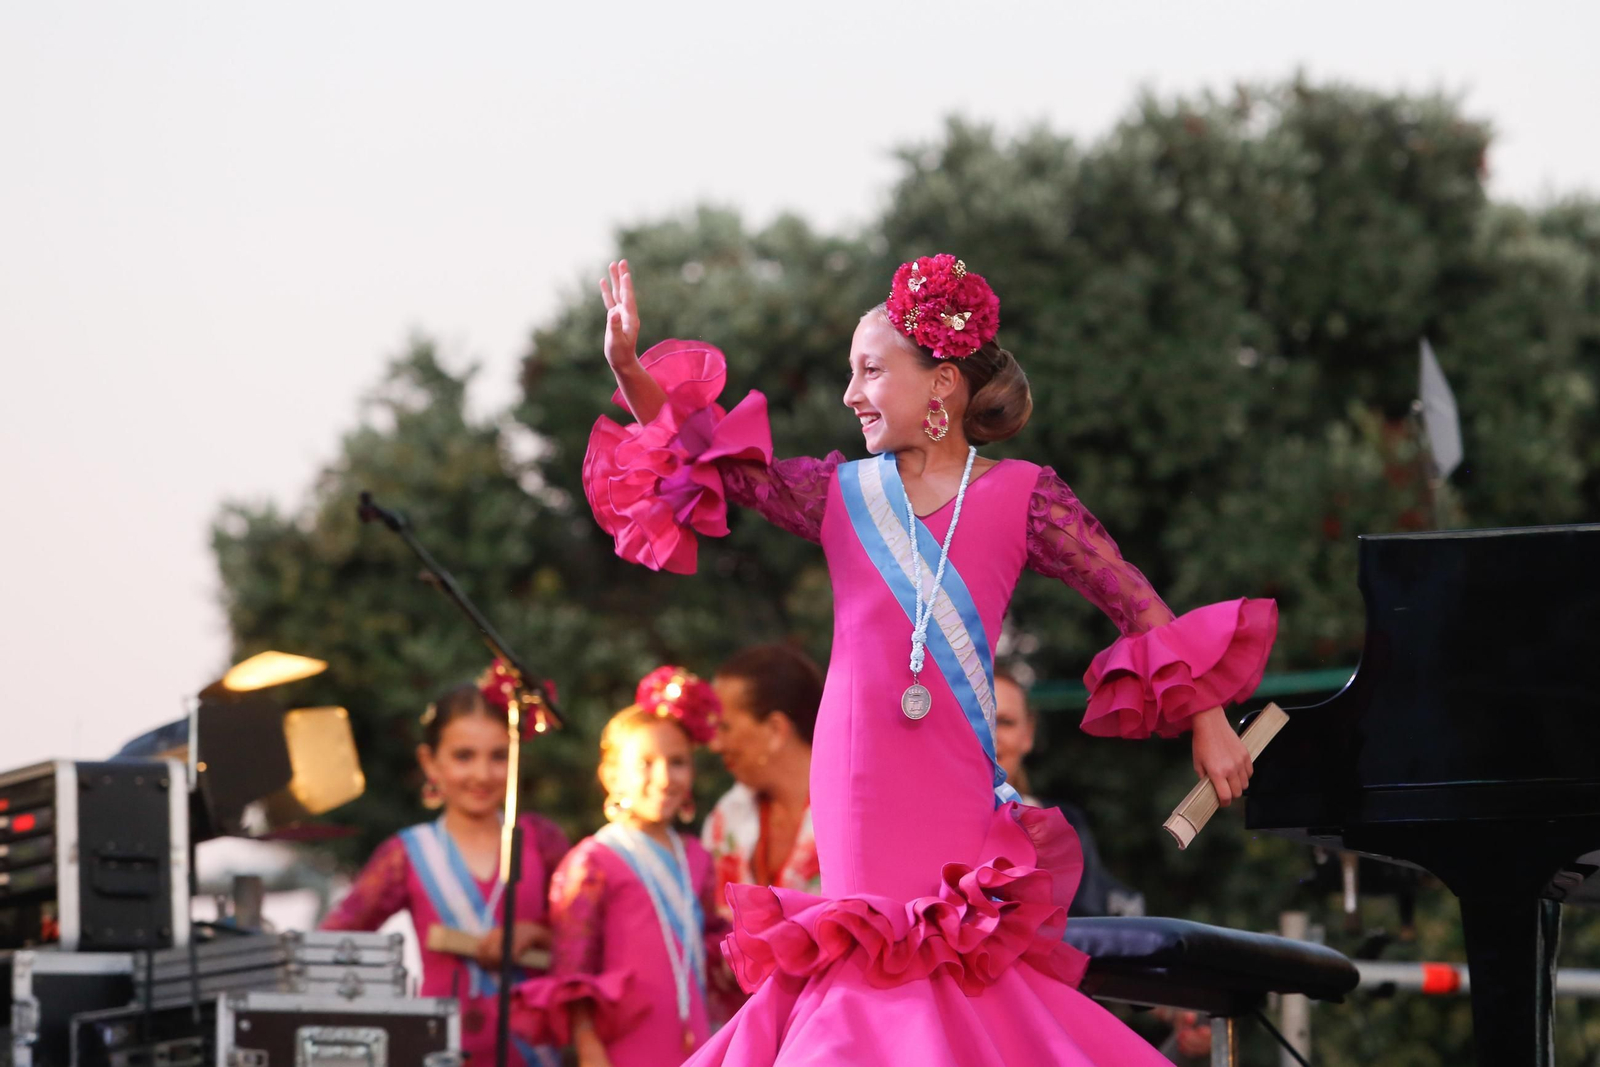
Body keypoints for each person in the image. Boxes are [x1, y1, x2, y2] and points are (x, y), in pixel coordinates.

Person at [582, 254, 1276, 1065]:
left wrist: (1208, 718)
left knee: (958, 964)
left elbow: (1133, 599)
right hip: (856, 778)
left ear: (941, 384)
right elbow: (712, 459)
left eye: (871, 371)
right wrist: (631, 370)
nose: (850, 394)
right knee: (864, 956)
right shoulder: (840, 491)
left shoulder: (1026, 495)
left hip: (954, 777)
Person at [322, 660, 571, 1067]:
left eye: (498, 756)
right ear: (430, 762)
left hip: (534, 1055)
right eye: (463, 756)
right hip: (439, 1053)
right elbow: (333, 942)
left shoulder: (541, 841)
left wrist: (538, 934)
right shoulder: (406, 854)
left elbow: (587, 937)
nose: (482, 774)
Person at [513, 667, 729, 1067]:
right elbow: (573, 970)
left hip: (697, 1041)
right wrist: (589, 1049)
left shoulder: (697, 857)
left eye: (678, 762)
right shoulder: (593, 861)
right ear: (611, 775)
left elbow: (708, 944)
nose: (664, 778)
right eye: (646, 763)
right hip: (623, 1050)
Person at [992, 668, 1143, 919]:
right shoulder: (932, 823)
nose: (991, 738)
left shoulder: (1064, 826)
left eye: (1005, 722)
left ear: (1028, 734)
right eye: (980, 721)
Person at [702, 643, 824, 919]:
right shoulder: (727, 815)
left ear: (775, 729)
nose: (715, 744)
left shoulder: (852, 818)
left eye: (725, 727)